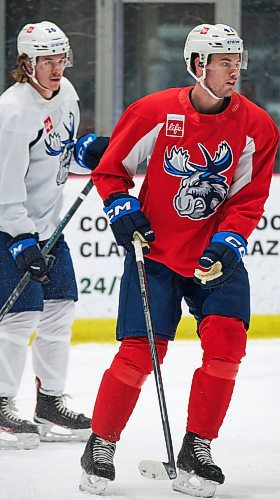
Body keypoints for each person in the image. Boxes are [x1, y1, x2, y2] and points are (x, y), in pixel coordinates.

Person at [79, 23, 280, 497]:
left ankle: (198, 445)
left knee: (228, 342)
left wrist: (230, 241)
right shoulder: (154, 112)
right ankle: (101, 444)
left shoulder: (258, 126)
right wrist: (120, 206)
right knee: (140, 353)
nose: (234, 70)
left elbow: (249, 198)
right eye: (223, 61)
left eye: (237, 60)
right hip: (154, 253)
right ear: (197, 66)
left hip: (213, 257)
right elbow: (111, 169)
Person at [0, 21, 107, 450]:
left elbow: (59, 152)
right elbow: (4, 182)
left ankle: (49, 402)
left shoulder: (68, 96)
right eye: (47, 60)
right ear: (27, 64)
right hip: (11, 231)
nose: (57, 68)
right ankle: (2, 401)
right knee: (19, 319)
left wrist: (87, 151)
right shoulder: (12, 112)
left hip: (50, 230)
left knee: (60, 311)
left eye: (62, 59)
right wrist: (22, 239)